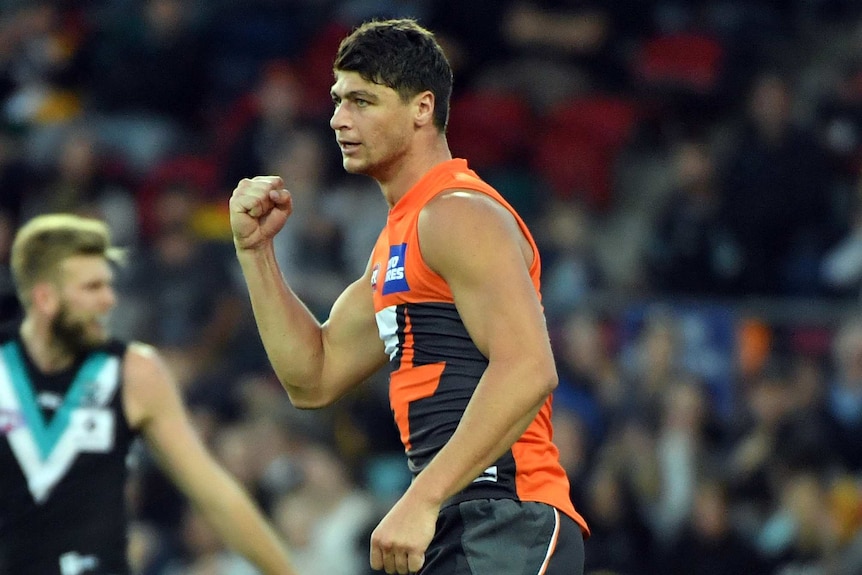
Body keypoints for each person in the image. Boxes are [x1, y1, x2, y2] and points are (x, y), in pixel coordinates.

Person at [230, 17, 589, 575]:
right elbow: (313, 376)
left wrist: (421, 498)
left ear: (423, 108)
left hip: (504, 516)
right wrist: (257, 254)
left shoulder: (457, 213)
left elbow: (528, 367)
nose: (338, 119)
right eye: (337, 100)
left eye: (362, 101)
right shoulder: (400, 239)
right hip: (458, 518)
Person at [0, 213, 298, 575]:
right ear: (45, 298)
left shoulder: (135, 372)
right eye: (92, 288)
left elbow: (215, 495)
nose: (110, 300)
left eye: (108, 285)